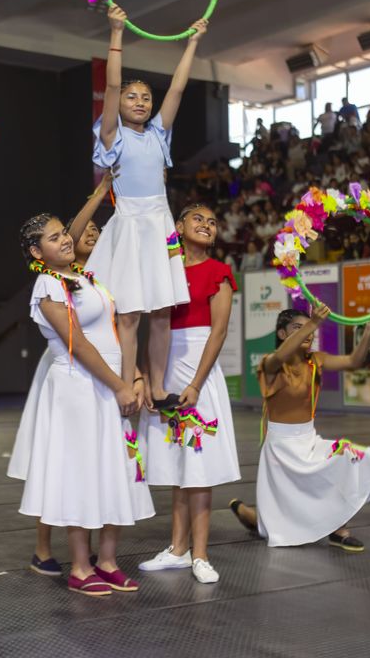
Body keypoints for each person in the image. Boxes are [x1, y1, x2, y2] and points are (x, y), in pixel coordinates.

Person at [17, 213, 153, 596]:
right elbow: (76, 341)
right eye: (54, 237)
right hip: (78, 388)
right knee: (82, 473)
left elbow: (115, 333)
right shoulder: (48, 284)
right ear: (36, 252)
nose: (65, 239)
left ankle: (107, 562)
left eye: (64, 233)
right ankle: (79, 566)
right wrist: (120, 386)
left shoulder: (86, 277)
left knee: (114, 468)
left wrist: (132, 378)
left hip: (108, 384)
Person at [88, 4, 206, 403]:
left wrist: (193, 43)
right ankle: (126, 384)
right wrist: (116, 32)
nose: (140, 102)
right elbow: (111, 86)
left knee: (161, 311)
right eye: (131, 97)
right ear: (120, 103)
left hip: (161, 225)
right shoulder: (112, 135)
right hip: (129, 224)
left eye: (145, 97)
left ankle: (157, 386)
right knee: (128, 314)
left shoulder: (158, 134)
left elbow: (177, 89)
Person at [8, 173, 113, 577]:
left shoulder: (93, 274)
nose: (84, 235)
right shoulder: (53, 278)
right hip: (67, 366)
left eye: (93, 232)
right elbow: (74, 341)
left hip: (95, 368)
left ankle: (92, 548)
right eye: (80, 232)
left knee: (86, 458)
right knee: (56, 455)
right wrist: (99, 193)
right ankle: (45, 547)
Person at [229, 302, 370, 550]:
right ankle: (253, 517)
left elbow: (353, 361)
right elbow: (280, 355)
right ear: (282, 333)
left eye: (310, 329)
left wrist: (369, 329)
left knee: (350, 457)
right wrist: (313, 322)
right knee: (279, 522)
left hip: (309, 440)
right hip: (280, 449)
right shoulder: (271, 364)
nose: (309, 333)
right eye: (298, 328)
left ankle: (338, 529)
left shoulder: (315, 360)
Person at [138, 205, 240, 583]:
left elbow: (218, 332)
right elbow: (155, 329)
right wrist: (151, 379)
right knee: (177, 465)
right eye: (198, 219)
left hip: (200, 373)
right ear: (179, 226)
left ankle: (201, 555)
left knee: (198, 466)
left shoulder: (219, 272)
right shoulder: (165, 271)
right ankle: (178, 550)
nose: (207, 225)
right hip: (167, 368)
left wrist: (196, 383)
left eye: (212, 221)